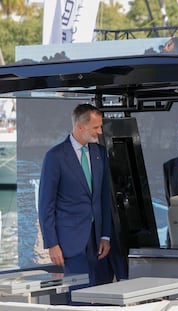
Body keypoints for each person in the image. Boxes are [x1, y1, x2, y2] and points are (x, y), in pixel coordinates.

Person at [38, 104, 112, 296]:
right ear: (80, 127)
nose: (100, 131)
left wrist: (105, 235)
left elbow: (104, 197)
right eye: (96, 127)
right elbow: (46, 205)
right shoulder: (55, 157)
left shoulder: (100, 153)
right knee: (78, 298)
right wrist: (51, 244)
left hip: (97, 243)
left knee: (100, 296)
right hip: (69, 244)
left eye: (100, 126)